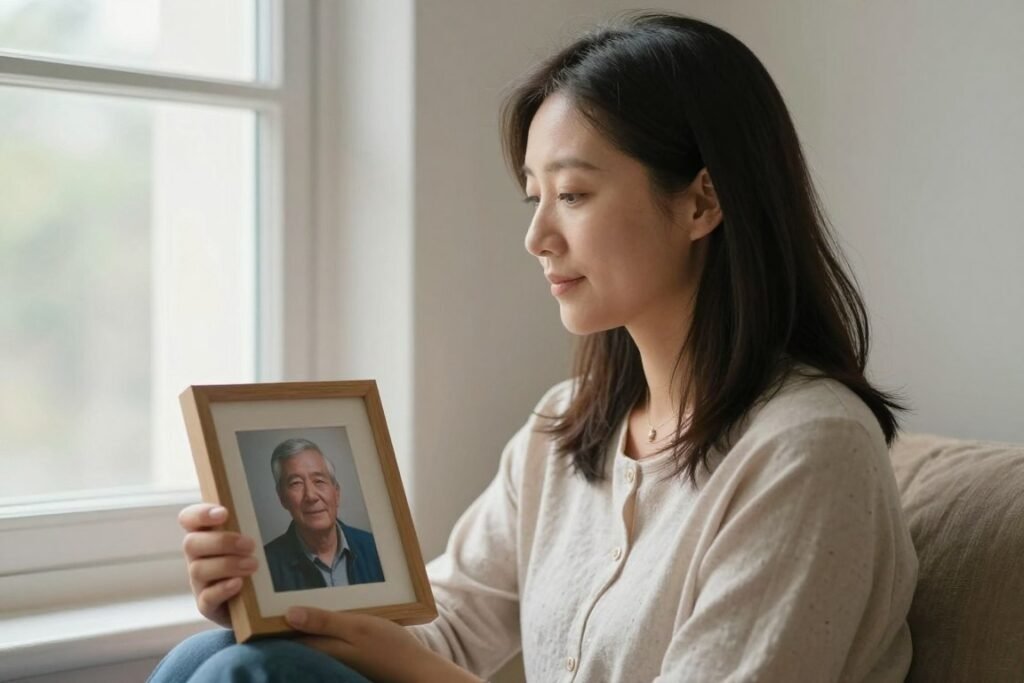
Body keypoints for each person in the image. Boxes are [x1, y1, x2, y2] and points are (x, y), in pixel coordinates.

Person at [150, 12, 918, 683]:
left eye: (574, 194)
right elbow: (445, 631)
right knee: (212, 653)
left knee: (250, 673)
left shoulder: (808, 449)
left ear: (701, 201)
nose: (537, 236)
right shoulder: (567, 427)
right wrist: (269, 595)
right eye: (534, 196)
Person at [262, 438, 384, 591]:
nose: (311, 496)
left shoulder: (377, 549)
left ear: (336, 493)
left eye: (319, 481)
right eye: (296, 483)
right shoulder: (264, 566)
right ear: (282, 498)